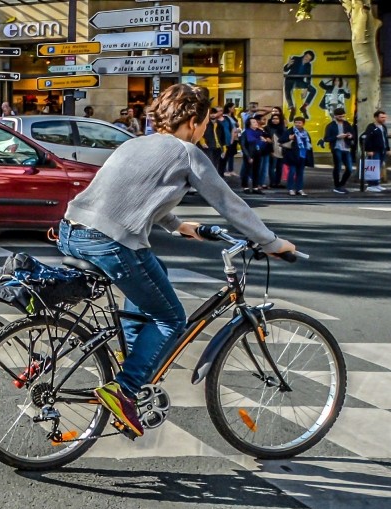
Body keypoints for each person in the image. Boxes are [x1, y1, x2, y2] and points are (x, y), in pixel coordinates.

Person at [56, 83, 297, 438]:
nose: (204, 131)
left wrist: (178, 224)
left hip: (71, 231)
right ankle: (125, 389)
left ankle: (134, 361)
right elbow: (230, 203)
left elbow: (134, 193)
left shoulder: (134, 143)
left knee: (155, 274)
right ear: (194, 121)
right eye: (204, 123)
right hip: (111, 243)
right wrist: (272, 242)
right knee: (172, 317)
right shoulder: (187, 153)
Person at [322, 107, 355, 194]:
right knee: (338, 167)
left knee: (350, 169)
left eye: (343, 116)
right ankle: (337, 186)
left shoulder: (347, 124)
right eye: (340, 116)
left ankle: (341, 184)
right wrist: (337, 137)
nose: (342, 118)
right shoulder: (330, 125)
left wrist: (350, 136)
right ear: (335, 116)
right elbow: (326, 138)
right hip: (337, 148)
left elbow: (353, 134)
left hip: (346, 148)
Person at [283, 116, 313, 196]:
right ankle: (290, 188)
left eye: (299, 123)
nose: (297, 124)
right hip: (292, 156)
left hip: (303, 155)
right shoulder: (290, 131)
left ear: (303, 123)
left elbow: (309, 145)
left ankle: (299, 189)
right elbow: (281, 140)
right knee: (292, 172)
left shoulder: (305, 133)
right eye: (296, 122)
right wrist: (289, 138)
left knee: (300, 173)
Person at [362, 110, 391, 192]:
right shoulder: (371, 127)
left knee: (379, 167)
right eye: (382, 117)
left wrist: (388, 148)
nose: (384, 119)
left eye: (385, 117)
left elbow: (385, 138)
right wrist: (369, 150)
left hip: (382, 150)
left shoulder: (384, 127)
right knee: (373, 167)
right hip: (374, 150)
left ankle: (376, 183)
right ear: (376, 118)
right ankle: (371, 185)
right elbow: (367, 139)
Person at [283, 50, 317, 121]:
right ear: (304, 55)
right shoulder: (296, 58)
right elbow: (285, 69)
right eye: (307, 56)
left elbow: (308, 77)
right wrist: (289, 64)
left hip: (299, 81)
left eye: (309, 59)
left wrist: (306, 88)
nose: (306, 59)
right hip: (290, 79)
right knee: (287, 89)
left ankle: (304, 107)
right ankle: (292, 108)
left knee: (313, 90)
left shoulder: (308, 65)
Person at [241, 116, 270, 194]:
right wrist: (248, 156)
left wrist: (265, 140)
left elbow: (268, 139)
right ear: (249, 124)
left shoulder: (260, 132)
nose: (256, 123)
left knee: (256, 170)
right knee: (247, 170)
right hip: (249, 153)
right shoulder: (246, 132)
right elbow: (243, 146)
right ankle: (245, 186)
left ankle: (255, 187)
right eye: (253, 122)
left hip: (258, 153)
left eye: (256, 122)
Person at [264, 112, 288, 188]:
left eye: (277, 119)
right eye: (273, 118)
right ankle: (272, 182)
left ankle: (278, 182)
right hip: (272, 149)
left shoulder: (283, 129)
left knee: (279, 167)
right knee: (272, 166)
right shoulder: (267, 128)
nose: (275, 120)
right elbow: (265, 137)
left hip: (282, 150)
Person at [199, 107, 225, 173]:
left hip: (218, 147)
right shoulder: (205, 123)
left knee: (215, 164)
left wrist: (224, 148)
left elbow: (222, 137)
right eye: (211, 114)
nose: (213, 115)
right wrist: (202, 142)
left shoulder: (219, 124)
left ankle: (214, 180)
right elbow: (199, 133)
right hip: (208, 146)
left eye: (214, 113)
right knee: (210, 164)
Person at [219, 103, 239, 176]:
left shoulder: (232, 117)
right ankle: (224, 170)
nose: (234, 109)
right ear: (229, 108)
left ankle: (231, 169)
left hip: (235, 137)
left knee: (231, 154)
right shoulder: (225, 117)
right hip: (229, 137)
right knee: (225, 155)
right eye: (233, 107)